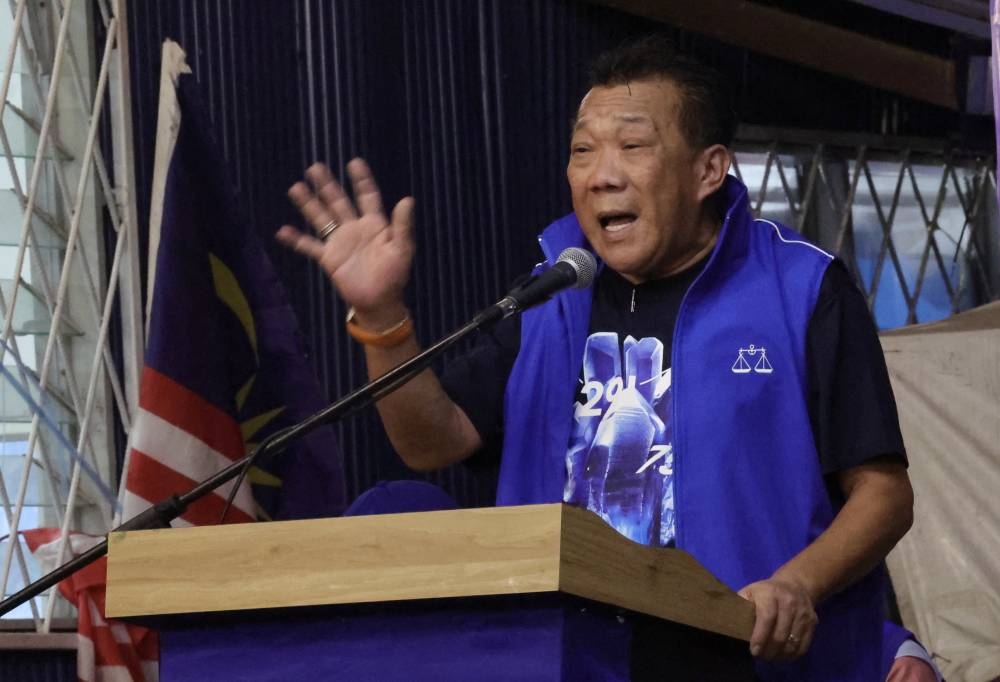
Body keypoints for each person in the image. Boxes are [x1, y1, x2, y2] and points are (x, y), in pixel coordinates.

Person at [277, 36, 914, 681]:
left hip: (745, 661)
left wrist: (797, 585)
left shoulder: (801, 290)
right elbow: (432, 440)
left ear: (708, 171)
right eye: (583, 151)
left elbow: (884, 495)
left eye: (632, 147)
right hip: (562, 660)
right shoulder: (554, 292)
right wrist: (385, 319)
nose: (601, 174)